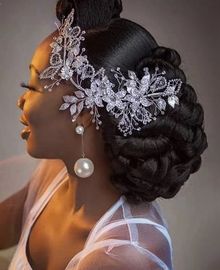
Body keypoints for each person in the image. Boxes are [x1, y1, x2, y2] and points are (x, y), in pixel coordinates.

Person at [0, 0, 208, 269]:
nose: (21, 101)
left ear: (84, 112)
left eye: (32, 86)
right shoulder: (53, 175)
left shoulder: (121, 256)